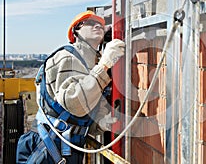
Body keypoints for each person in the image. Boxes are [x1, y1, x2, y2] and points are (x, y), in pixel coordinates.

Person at [16, 10, 125, 164]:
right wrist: (104, 64)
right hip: (49, 145)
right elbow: (75, 103)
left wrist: (100, 124)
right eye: (89, 23)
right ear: (76, 31)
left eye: (100, 24)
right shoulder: (68, 57)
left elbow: (80, 116)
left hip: (66, 145)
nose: (97, 26)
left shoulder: (89, 65)